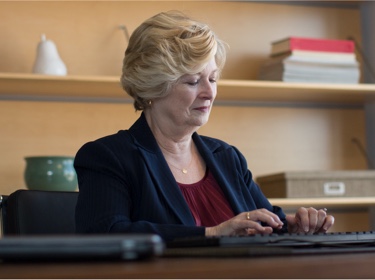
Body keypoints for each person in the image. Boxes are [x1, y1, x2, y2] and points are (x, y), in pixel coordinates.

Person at [74, 10, 334, 241]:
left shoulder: (227, 157)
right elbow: (106, 235)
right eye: (193, 81)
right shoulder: (107, 157)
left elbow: (267, 222)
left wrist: (295, 227)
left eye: (213, 78)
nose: (209, 93)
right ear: (153, 86)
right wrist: (211, 233)